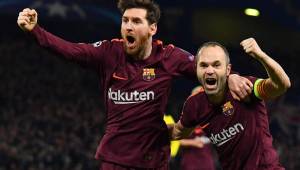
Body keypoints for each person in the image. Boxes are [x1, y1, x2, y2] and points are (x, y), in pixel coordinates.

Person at [17, 0, 252, 169]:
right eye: (125, 20)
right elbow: (71, 50)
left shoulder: (169, 56)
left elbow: (207, 68)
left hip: (153, 159)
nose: (128, 26)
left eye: (136, 21)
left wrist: (231, 77)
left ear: (152, 28)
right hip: (115, 159)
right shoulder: (109, 52)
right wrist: (36, 31)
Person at [170, 38, 291, 169]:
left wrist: (260, 55)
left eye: (216, 65)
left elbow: (281, 85)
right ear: (196, 70)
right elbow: (177, 132)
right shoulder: (194, 104)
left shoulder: (244, 86)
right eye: (204, 65)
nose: (210, 70)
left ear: (228, 70)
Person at [179, 86, 215, 170]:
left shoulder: (211, 116)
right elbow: (175, 140)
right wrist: (193, 142)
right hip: (190, 163)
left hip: (207, 163)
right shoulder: (185, 117)